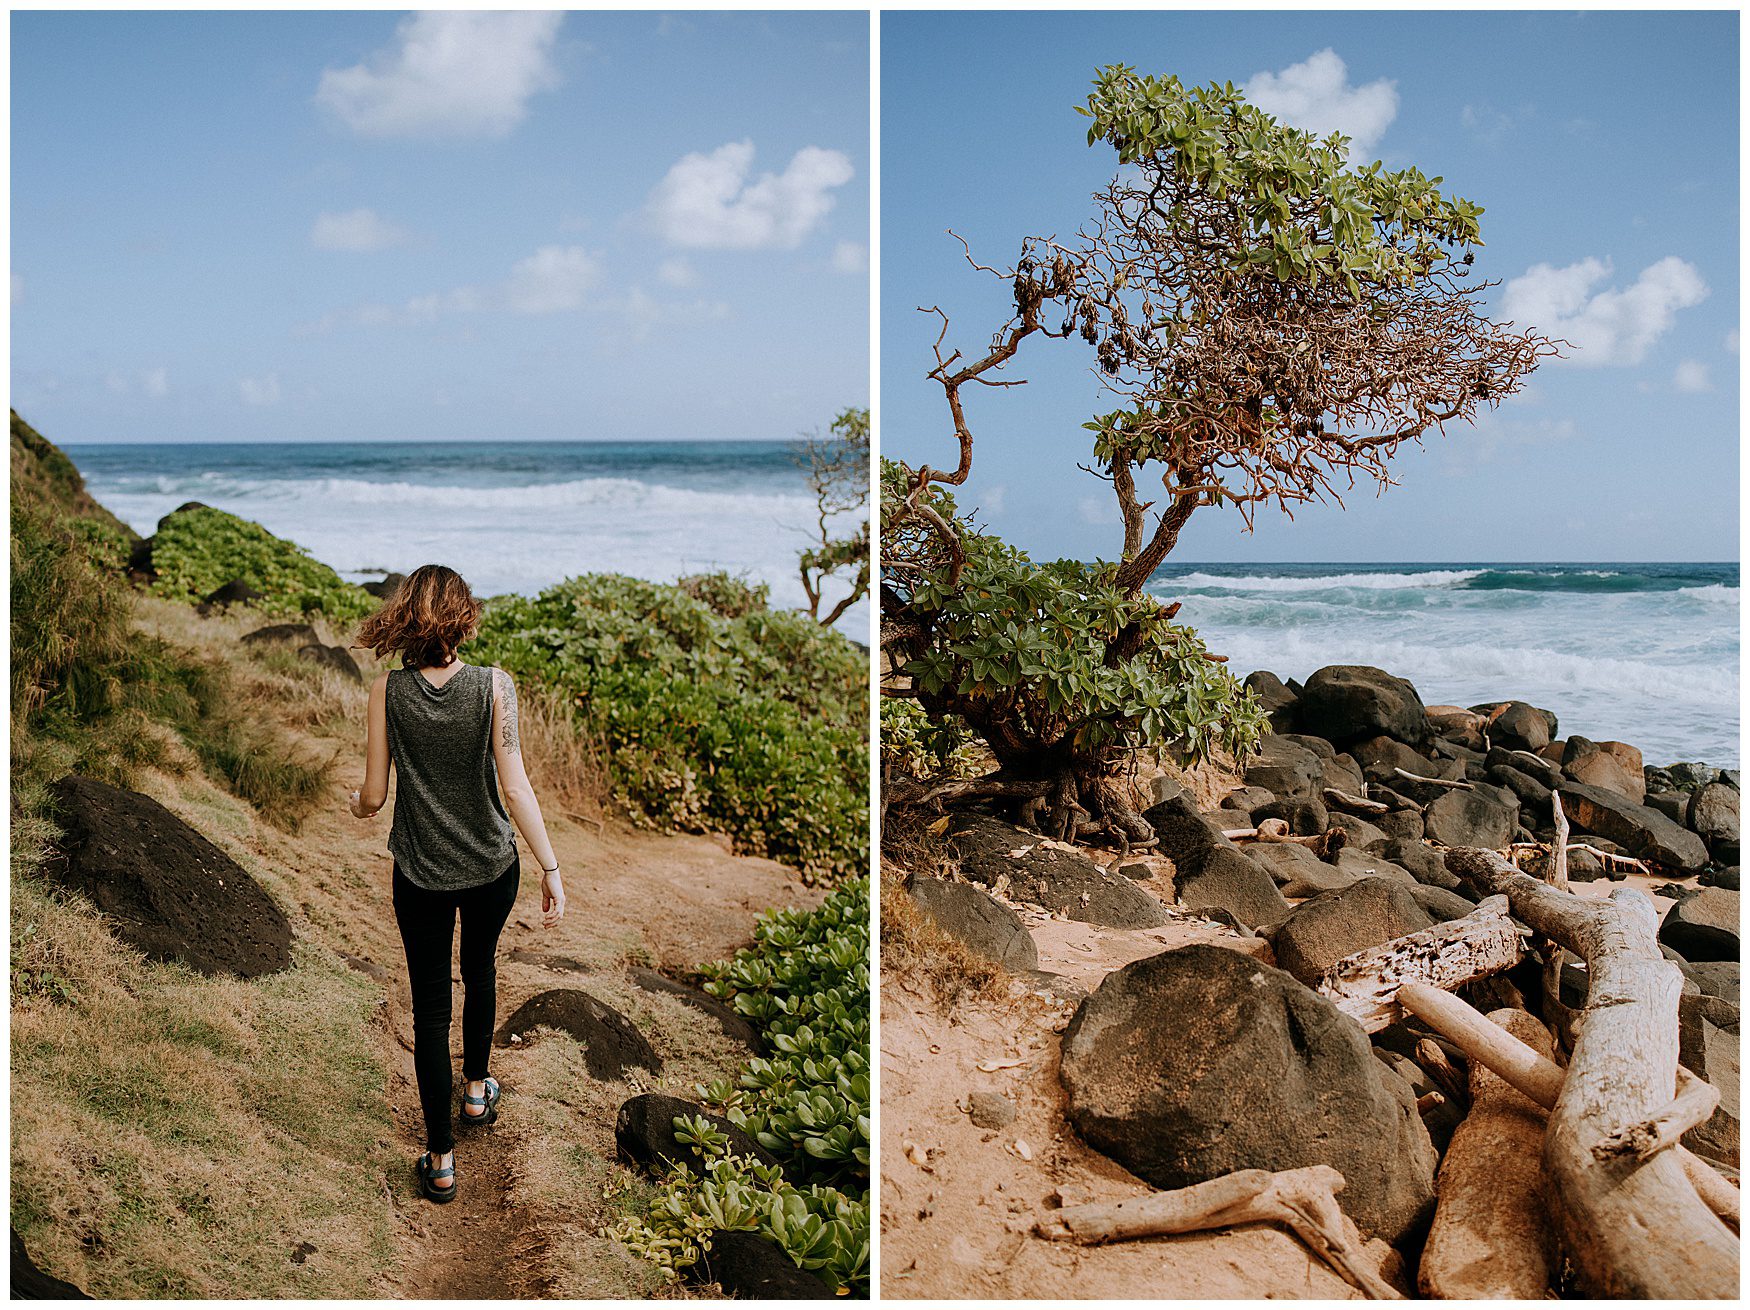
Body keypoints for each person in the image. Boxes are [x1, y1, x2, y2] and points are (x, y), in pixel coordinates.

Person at [349, 564, 566, 1203]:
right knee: (480, 970)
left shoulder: (387, 690)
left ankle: (440, 1160)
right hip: (491, 868)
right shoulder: (496, 686)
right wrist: (550, 867)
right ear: (463, 617)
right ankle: (475, 1093)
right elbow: (515, 788)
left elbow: (374, 794)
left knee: (430, 1007)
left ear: (405, 618)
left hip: (419, 872)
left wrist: (357, 807)